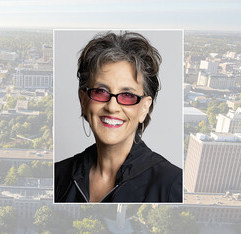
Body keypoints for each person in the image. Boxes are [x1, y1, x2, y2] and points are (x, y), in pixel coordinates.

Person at [55, 31, 182, 203]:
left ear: (144, 108)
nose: (112, 107)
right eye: (100, 91)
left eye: (127, 95)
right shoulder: (58, 175)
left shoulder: (172, 185)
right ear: (83, 101)